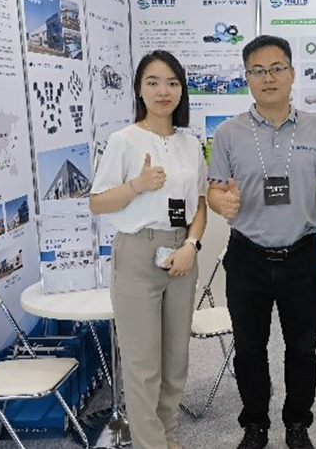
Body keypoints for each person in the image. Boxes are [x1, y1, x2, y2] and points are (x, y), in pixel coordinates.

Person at [207, 35, 316, 449]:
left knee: (303, 348)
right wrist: (221, 202)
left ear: (292, 73)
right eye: (258, 71)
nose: (269, 78)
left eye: (277, 68)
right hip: (247, 255)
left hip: (301, 253)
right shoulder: (228, 133)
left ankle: (297, 423)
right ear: (247, 77)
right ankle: (255, 424)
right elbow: (214, 189)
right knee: (249, 349)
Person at [89, 50, 207, 449]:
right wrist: (137, 185)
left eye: (172, 82)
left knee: (175, 362)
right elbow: (97, 202)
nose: (163, 91)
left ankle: (166, 437)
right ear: (139, 89)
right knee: (143, 367)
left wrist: (191, 244)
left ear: (182, 90)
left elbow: (200, 204)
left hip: (181, 253)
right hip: (138, 253)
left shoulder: (190, 144)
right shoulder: (123, 140)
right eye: (153, 82)